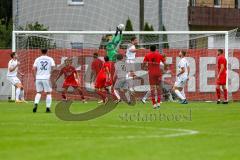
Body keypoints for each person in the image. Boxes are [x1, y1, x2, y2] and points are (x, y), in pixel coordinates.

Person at [33, 49, 55, 113]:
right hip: (46, 78)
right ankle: (48, 108)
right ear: (47, 51)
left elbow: (33, 69)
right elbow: (53, 67)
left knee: (38, 92)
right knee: (48, 93)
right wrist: (51, 74)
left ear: (41, 51)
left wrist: (35, 77)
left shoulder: (37, 59)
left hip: (38, 78)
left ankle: (36, 104)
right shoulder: (50, 59)